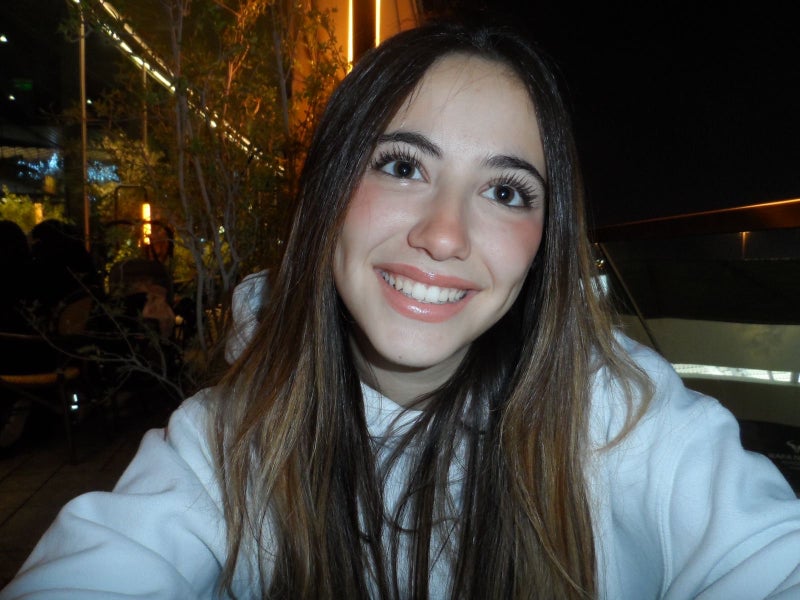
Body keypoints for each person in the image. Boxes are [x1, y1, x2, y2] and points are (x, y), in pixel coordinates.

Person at [3, 19, 800, 599]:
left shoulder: (620, 419)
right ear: (329, 189)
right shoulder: (229, 439)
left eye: (505, 191)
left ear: (544, 241)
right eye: (402, 165)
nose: (445, 234)